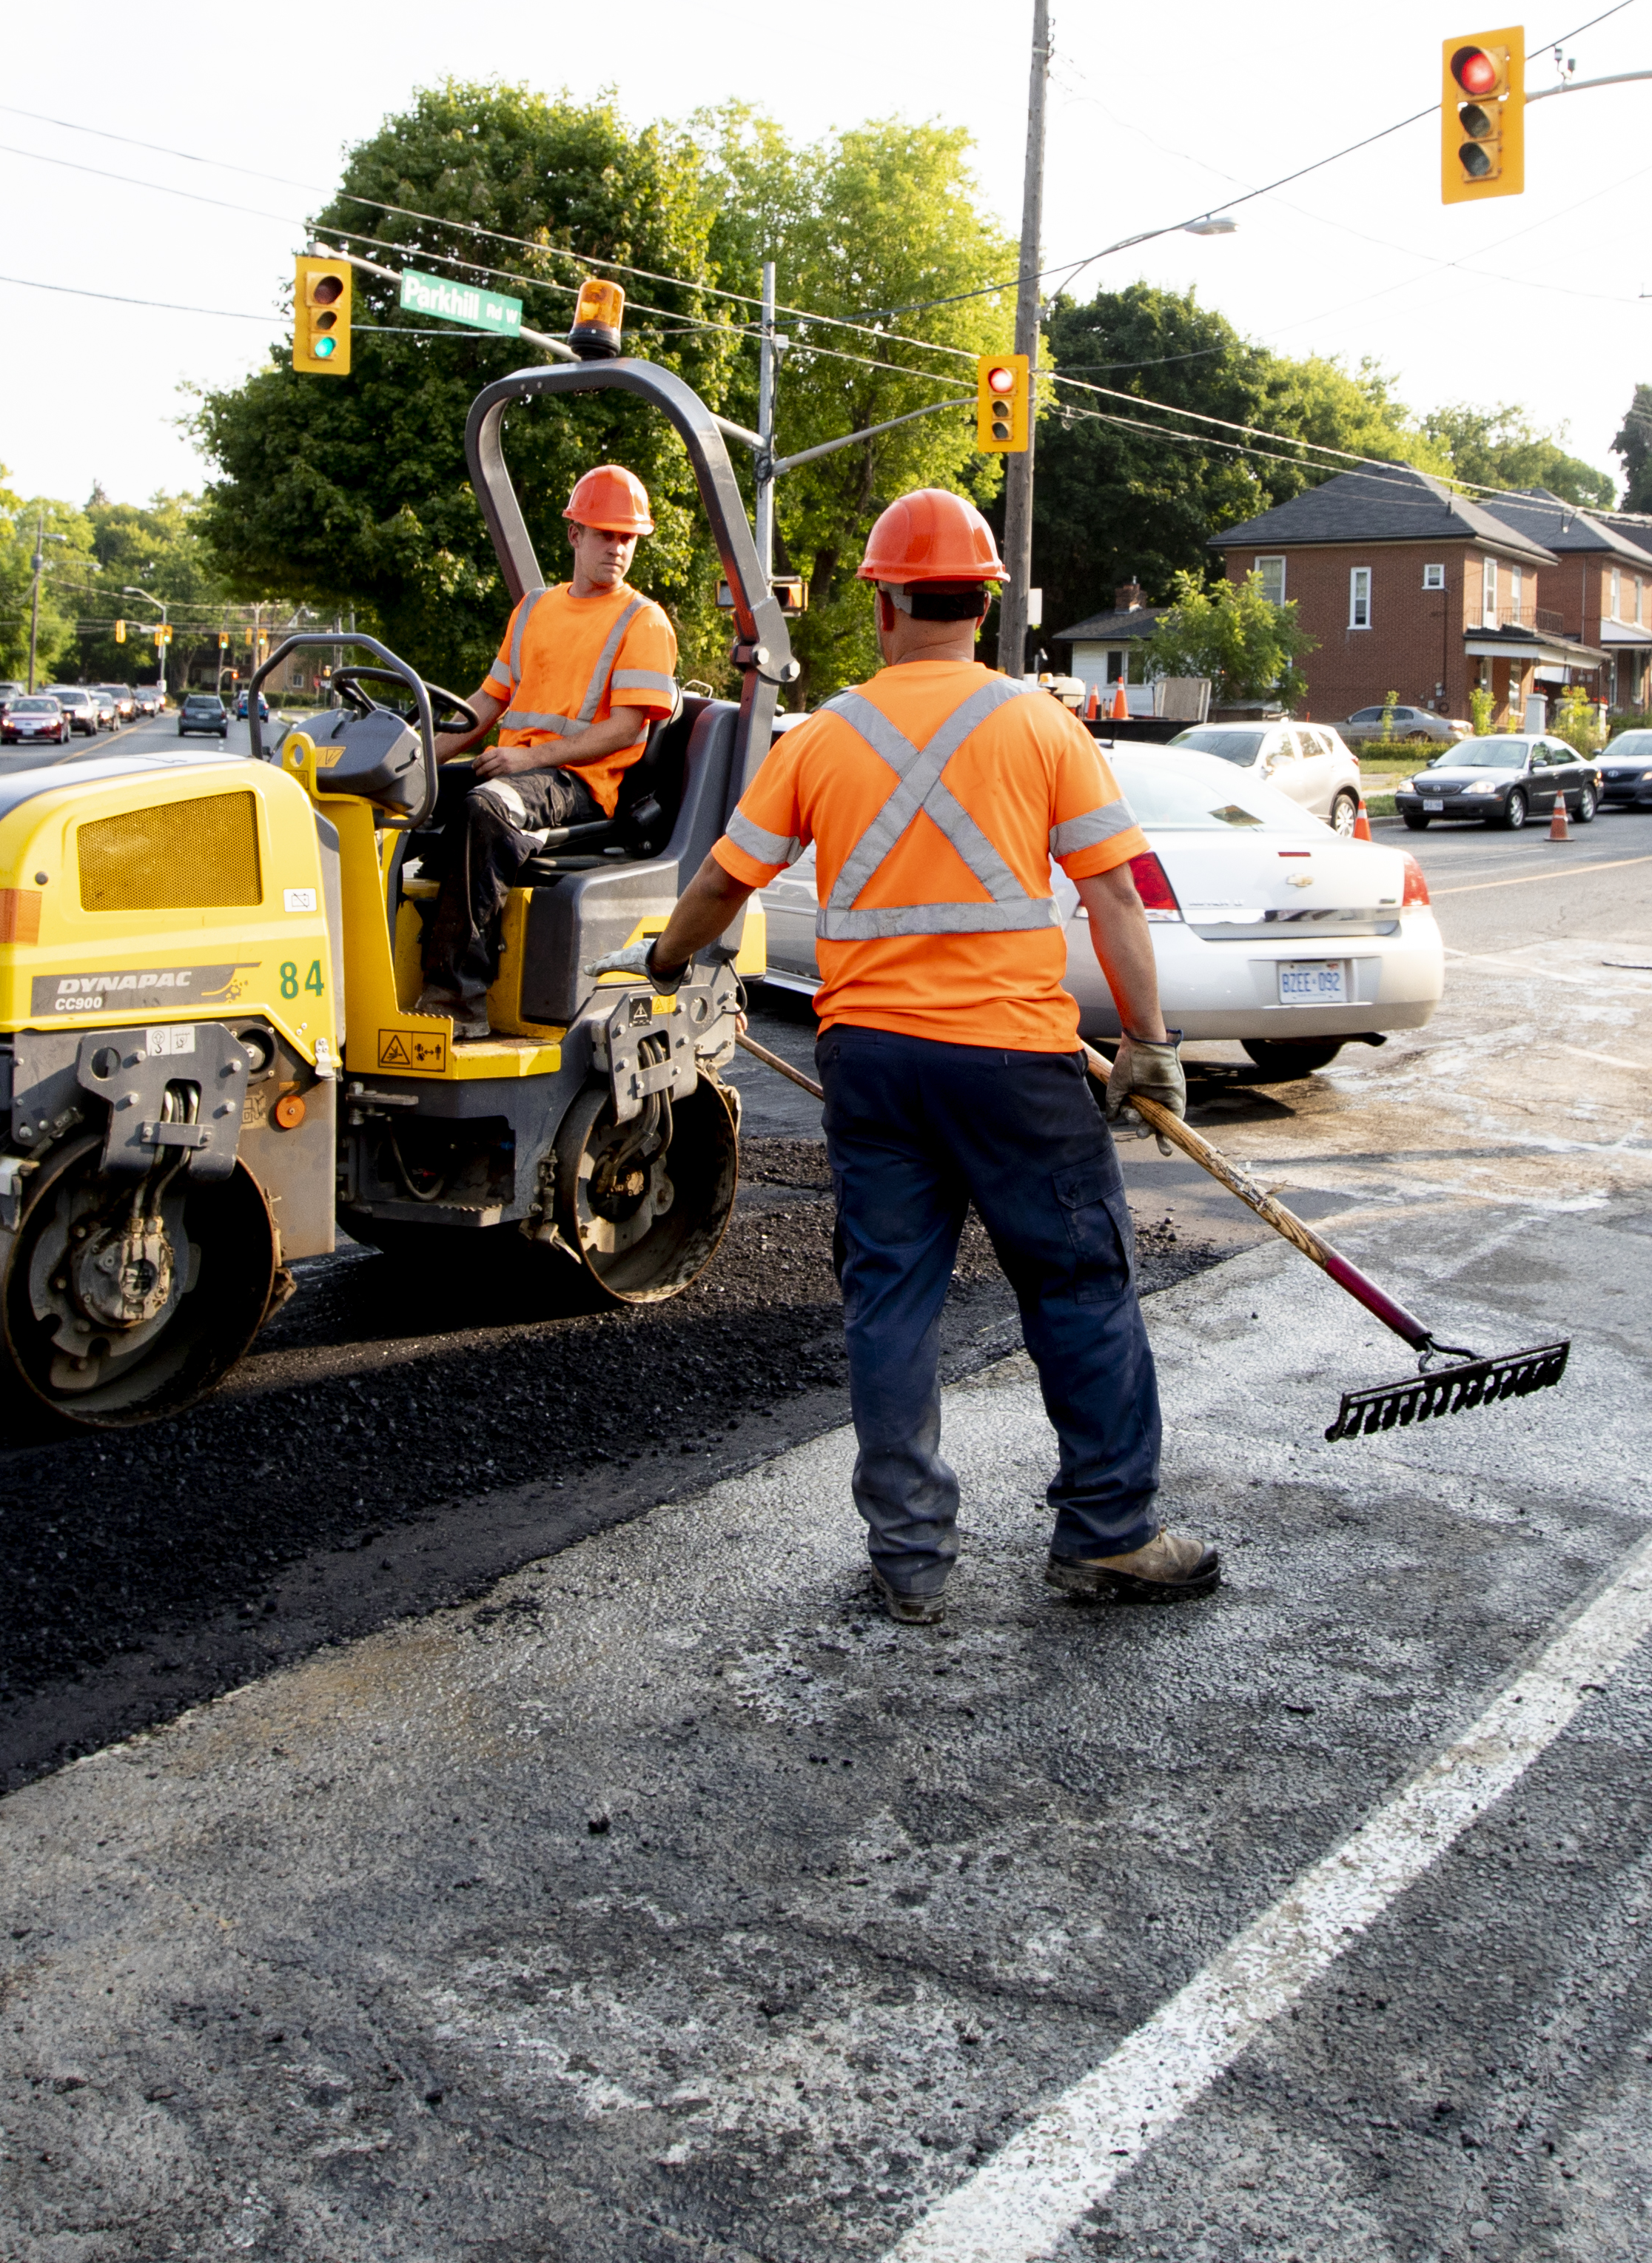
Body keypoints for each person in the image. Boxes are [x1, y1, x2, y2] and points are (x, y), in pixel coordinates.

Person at [619, 488, 1212, 1622]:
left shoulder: (827, 734)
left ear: (885, 603)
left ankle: (909, 1558)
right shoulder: (1042, 727)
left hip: (873, 1064)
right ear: (982, 607)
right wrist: (1145, 1042)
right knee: (1079, 1288)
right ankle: (1105, 1536)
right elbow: (1115, 902)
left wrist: (665, 959)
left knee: (889, 1301)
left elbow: (717, 885)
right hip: (1012, 1069)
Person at [416, 463, 680, 1038]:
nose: (616, 548)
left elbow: (625, 729)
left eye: (626, 537)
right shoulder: (534, 608)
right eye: (605, 534)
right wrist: (415, 765)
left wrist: (530, 758)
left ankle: (457, 998)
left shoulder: (643, 621)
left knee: (487, 809)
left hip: (580, 785)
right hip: (515, 771)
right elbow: (485, 704)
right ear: (574, 535)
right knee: (404, 802)